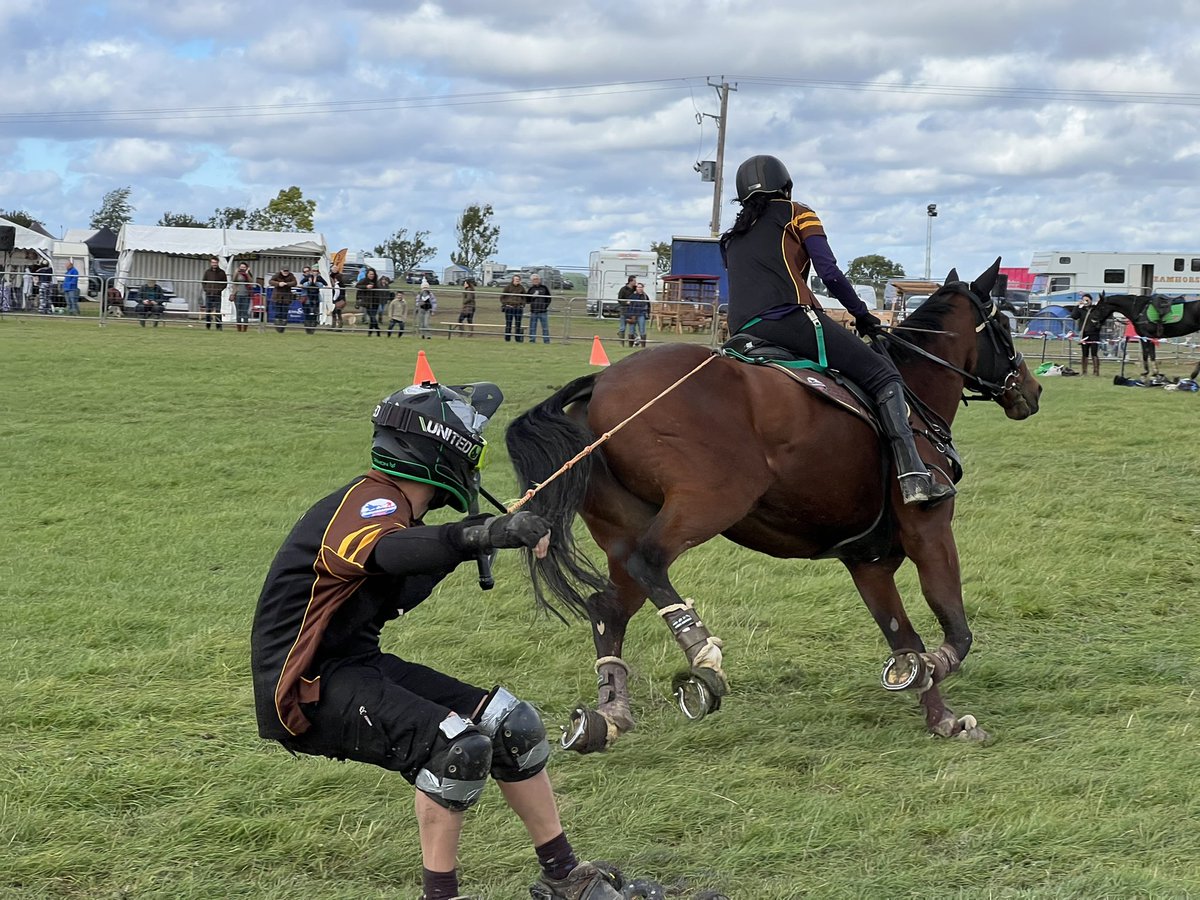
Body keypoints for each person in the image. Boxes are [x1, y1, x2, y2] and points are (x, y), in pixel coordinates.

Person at [250, 382, 628, 900]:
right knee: (457, 748)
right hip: (303, 686)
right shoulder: (371, 500)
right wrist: (478, 534)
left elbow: (404, 574)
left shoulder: (402, 513)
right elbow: (388, 553)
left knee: (511, 724)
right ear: (445, 449)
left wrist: (475, 536)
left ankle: (562, 874)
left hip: (355, 665)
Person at [720, 154, 954, 507]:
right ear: (786, 186)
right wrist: (861, 314)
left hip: (741, 334)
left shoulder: (732, 237)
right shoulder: (799, 212)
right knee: (883, 374)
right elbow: (829, 272)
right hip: (788, 320)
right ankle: (913, 476)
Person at [1072, 294, 1101, 376]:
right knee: (1085, 353)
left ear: (1091, 300)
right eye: (1084, 300)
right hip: (1084, 333)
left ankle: (1096, 371)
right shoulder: (1081, 309)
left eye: (1087, 300)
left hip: (1094, 333)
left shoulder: (1095, 309)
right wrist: (1077, 306)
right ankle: (1084, 371)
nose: (1086, 302)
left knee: (1094, 353)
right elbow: (1074, 316)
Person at [299, 265, 328, 335]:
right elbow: (301, 284)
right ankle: (308, 327)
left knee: (314, 311)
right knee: (307, 312)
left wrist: (315, 283)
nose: (306, 272)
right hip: (306, 297)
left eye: (307, 271)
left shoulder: (319, 278)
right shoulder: (305, 277)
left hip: (315, 296)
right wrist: (309, 283)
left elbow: (324, 284)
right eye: (304, 271)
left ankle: (313, 327)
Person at [201, 257, 227, 331]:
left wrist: (219, 290)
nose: (214, 264)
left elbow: (225, 283)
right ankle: (208, 326)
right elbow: (203, 282)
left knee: (218, 311)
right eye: (213, 262)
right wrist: (206, 289)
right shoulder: (207, 272)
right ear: (210, 263)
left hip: (217, 295)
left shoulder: (222, 272)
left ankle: (219, 326)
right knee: (208, 311)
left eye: (215, 262)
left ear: (218, 263)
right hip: (209, 294)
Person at [270, 266, 298, 333]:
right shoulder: (277, 275)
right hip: (277, 297)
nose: (285, 272)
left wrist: (287, 284)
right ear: (281, 270)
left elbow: (295, 282)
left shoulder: (291, 275)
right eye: (284, 271)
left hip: (286, 298)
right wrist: (278, 284)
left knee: (284, 313)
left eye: (287, 271)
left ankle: (282, 328)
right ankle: (278, 328)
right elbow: (270, 281)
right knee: (278, 313)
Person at [526, 274, 553, 344]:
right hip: (533, 311)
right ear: (532, 281)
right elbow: (527, 300)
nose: (536, 280)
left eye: (537, 279)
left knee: (545, 327)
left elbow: (549, 298)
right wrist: (533, 296)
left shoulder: (544, 288)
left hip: (543, 311)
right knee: (532, 327)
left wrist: (545, 306)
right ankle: (532, 340)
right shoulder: (531, 289)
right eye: (534, 279)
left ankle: (546, 341)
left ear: (539, 280)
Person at [357, 268, 383, 336]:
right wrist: (366, 286)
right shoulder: (364, 280)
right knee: (372, 317)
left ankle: (370, 332)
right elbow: (357, 285)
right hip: (368, 303)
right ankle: (377, 329)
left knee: (372, 317)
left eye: (373, 274)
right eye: (370, 274)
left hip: (375, 302)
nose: (372, 275)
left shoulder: (376, 282)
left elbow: (379, 289)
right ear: (367, 274)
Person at [500, 273, 526, 343]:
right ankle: (507, 339)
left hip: (518, 308)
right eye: (516, 279)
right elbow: (502, 297)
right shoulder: (508, 287)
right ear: (513, 280)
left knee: (518, 324)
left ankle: (517, 339)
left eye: (518, 279)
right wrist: (505, 304)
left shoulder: (521, 288)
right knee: (508, 323)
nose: (517, 281)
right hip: (509, 308)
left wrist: (523, 304)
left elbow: (524, 297)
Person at [624, 282, 650, 348]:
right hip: (632, 314)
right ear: (636, 288)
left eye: (641, 287)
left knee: (642, 330)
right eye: (638, 287)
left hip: (641, 314)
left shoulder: (645, 296)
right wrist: (628, 315)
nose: (639, 288)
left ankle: (643, 346)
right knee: (631, 330)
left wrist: (647, 314)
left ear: (643, 288)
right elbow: (629, 305)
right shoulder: (632, 296)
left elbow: (648, 306)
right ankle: (630, 345)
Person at [232, 262, 254, 332]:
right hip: (238, 295)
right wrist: (236, 272)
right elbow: (234, 280)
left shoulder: (248, 274)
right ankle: (239, 328)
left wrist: (247, 273)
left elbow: (251, 281)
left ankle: (245, 329)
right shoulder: (237, 274)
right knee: (238, 312)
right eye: (241, 267)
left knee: (245, 312)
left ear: (247, 268)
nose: (242, 268)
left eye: (244, 267)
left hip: (246, 295)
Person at [615, 275, 637, 344]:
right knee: (622, 327)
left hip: (632, 311)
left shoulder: (635, 289)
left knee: (632, 328)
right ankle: (622, 343)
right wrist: (626, 302)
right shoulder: (623, 289)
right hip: (624, 310)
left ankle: (631, 343)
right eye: (634, 281)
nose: (635, 282)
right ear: (630, 281)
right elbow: (619, 299)